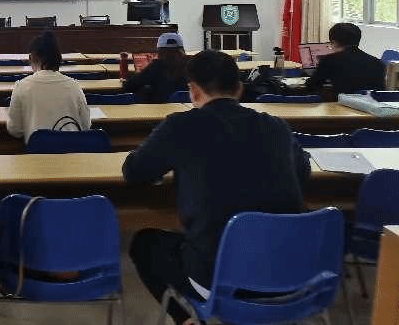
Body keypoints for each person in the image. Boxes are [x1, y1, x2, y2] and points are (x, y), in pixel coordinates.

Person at [123, 51, 310, 325]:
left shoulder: (181, 125)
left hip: (218, 278)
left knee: (145, 244)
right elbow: (302, 173)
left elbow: (134, 172)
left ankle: (184, 319)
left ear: (193, 91)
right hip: (291, 272)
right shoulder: (276, 126)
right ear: (239, 89)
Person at [6, 31, 90, 143]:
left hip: (37, 151)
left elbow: (15, 130)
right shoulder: (74, 86)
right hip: (72, 150)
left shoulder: (21, 86)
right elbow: (86, 125)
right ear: (58, 58)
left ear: (31, 57)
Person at [305, 22, 385, 98]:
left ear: (334, 42)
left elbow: (312, 85)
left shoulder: (329, 60)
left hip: (342, 104)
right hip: (370, 105)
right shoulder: (377, 62)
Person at [122, 32, 189, 103]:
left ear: (159, 51)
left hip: (160, 108)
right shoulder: (191, 65)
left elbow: (129, 86)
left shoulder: (156, 66)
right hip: (189, 107)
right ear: (182, 50)